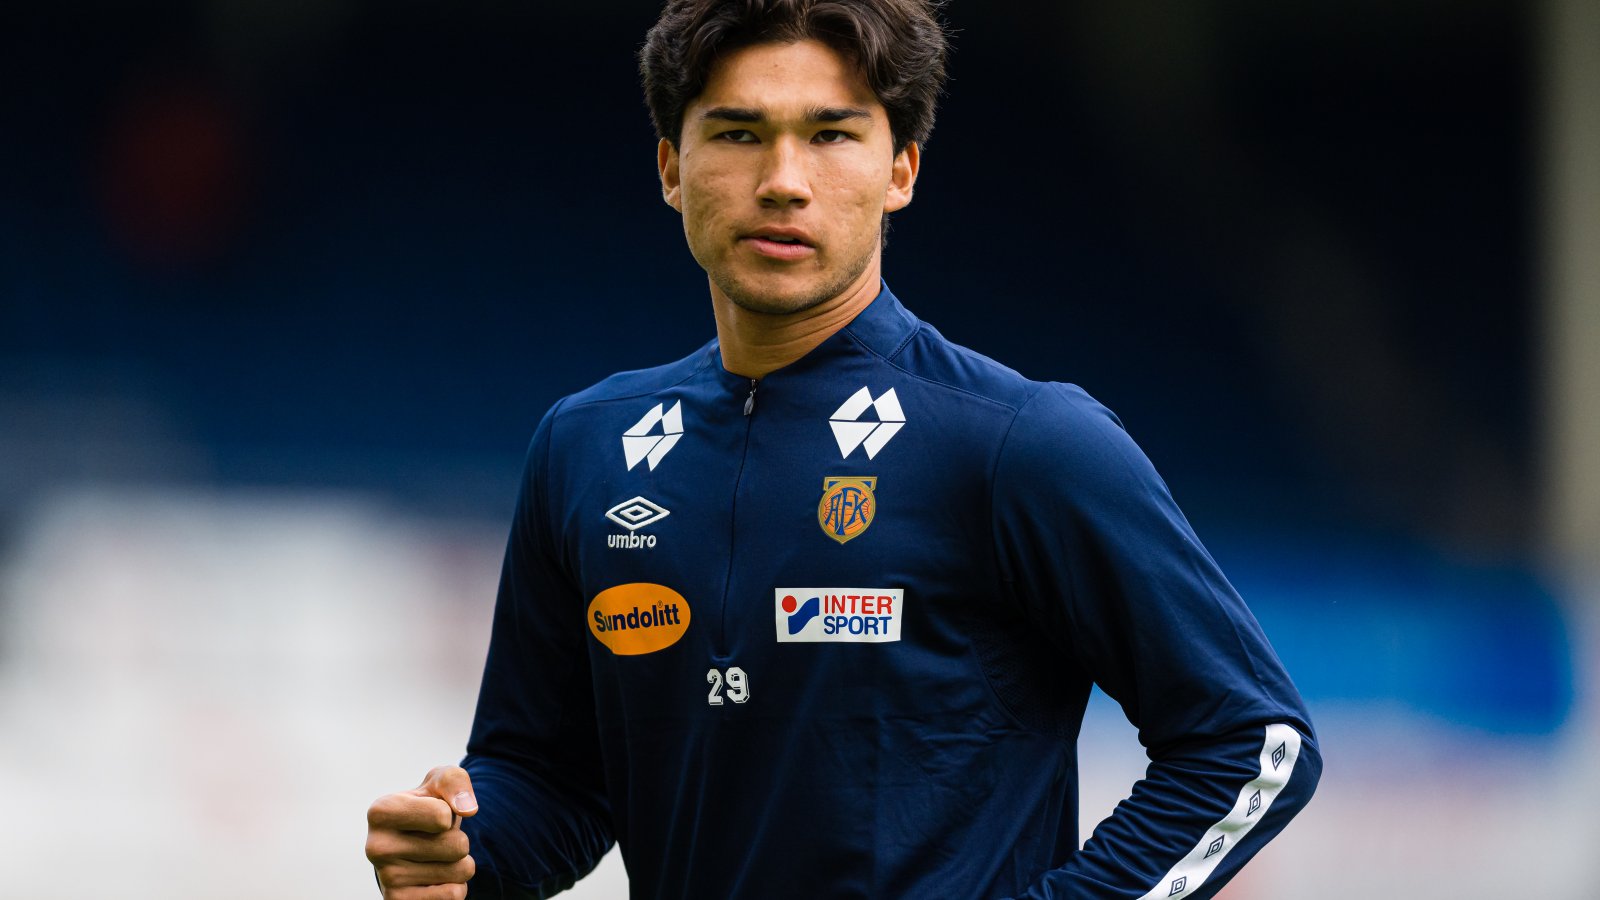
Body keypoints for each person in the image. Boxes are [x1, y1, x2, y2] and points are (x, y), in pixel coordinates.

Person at [365, 1, 1321, 897]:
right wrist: (465, 848)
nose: (783, 180)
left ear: (901, 169)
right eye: (738, 133)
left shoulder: (1022, 442)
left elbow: (1254, 743)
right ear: (670, 168)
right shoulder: (585, 445)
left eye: (830, 135)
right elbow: (553, 777)